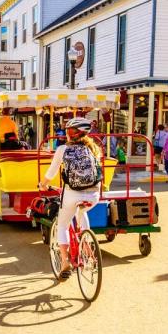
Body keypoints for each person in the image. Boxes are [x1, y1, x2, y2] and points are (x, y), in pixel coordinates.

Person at [38, 118, 103, 280]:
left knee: (62, 226)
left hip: (72, 193)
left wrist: (43, 185)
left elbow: (51, 173)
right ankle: (87, 246)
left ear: (70, 134)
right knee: (82, 211)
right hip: (94, 194)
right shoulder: (94, 148)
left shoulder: (63, 149)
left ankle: (66, 262)